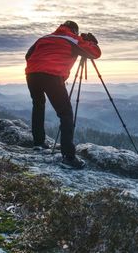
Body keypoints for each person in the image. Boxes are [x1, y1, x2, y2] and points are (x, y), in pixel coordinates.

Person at [25, 20, 101, 169]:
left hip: (32, 74)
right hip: (52, 76)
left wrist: (38, 65)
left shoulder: (44, 38)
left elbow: (28, 55)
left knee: (38, 105)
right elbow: (95, 54)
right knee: (65, 114)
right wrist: (92, 42)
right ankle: (68, 157)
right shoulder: (73, 39)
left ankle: (38, 143)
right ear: (75, 31)